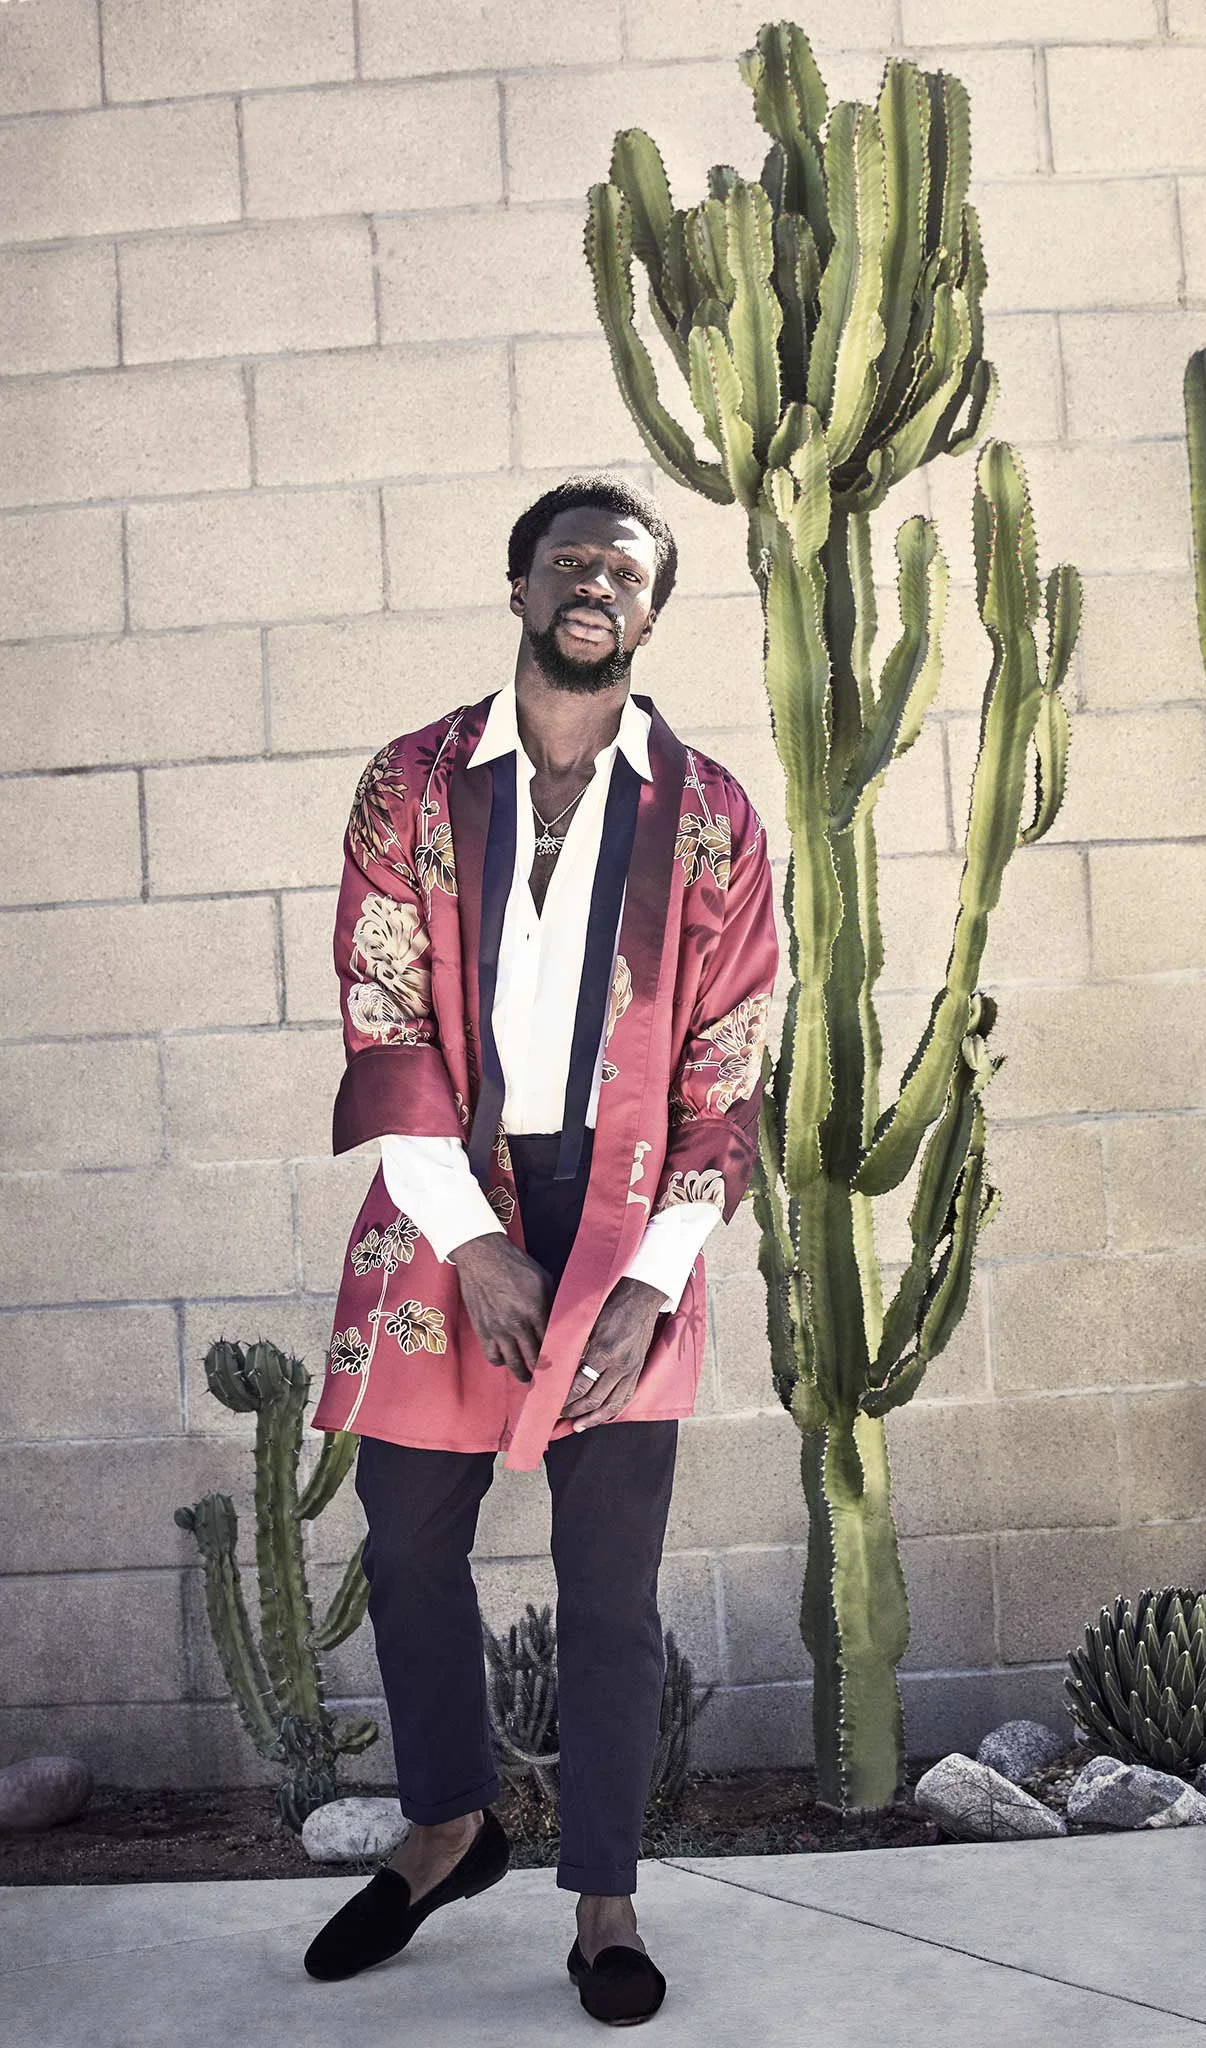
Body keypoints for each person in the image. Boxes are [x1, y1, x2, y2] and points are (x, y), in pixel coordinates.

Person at [302, 474, 780, 2024]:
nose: (595, 584)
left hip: (636, 1207)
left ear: (650, 610)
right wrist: (477, 1246)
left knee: (609, 1585)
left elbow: (732, 1059)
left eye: (624, 570)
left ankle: (605, 1906)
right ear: (518, 589)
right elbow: (384, 1017)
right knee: (409, 1533)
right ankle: (449, 1827)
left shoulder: (708, 815)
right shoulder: (410, 784)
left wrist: (648, 1280)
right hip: (453, 1190)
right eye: (568, 561)